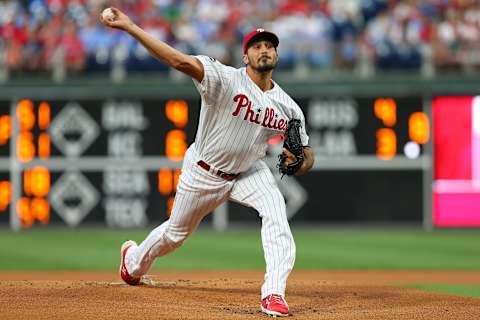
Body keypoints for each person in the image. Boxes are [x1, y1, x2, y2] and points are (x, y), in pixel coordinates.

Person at [100, 7, 314, 318]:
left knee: (275, 210)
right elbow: (179, 61)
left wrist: (299, 161)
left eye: (269, 46)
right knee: (175, 235)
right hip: (203, 171)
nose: (264, 50)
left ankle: (273, 294)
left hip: (248, 172)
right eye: (256, 46)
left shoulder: (288, 108)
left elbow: (307, 156)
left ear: (276, 55)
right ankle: (132, 261)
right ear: (245, 57)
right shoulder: (224, 79)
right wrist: (131, 26)